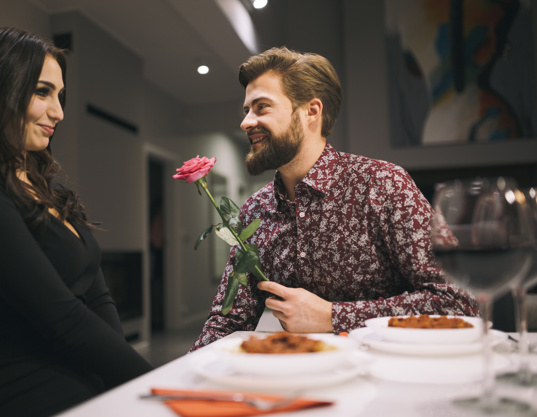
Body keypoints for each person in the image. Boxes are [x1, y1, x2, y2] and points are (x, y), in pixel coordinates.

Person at [191, 47, 479, 351]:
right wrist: (185, 376)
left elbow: (459, 300)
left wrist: (333, 316)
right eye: (247, 110)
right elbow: (228, 321)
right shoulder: (254, 211)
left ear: (312, 111)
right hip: (301, 379)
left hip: (390, 378)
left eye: (261, 107)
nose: (246, 122)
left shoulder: (382, 184)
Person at [0, 27, 152, 417]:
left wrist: (133, 387)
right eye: (42, 92)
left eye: (59, 95)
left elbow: (98, 299)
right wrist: (159, 389)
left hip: (85, 380)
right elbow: (63, 319)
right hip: (18, 390)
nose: (59, 112)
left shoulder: (49, 192)